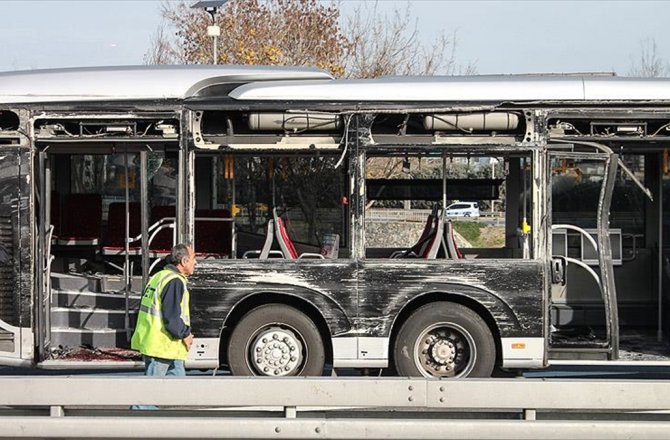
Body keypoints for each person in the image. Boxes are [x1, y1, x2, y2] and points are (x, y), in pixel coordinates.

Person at [131, 244, 196, 400]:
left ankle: (171, 422)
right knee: (150, 398)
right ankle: (136, 422)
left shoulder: (159, 276)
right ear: (184, 261)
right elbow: (171, 317)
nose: (196, 263)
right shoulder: (174, 281)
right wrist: (185, 334)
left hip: (167, 347)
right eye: (194, 259)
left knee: (177, 395)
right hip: (162, 347)